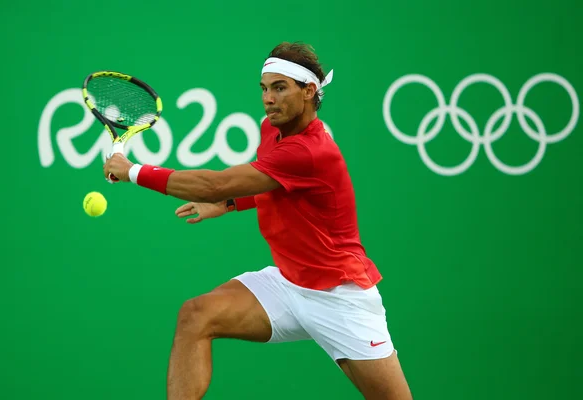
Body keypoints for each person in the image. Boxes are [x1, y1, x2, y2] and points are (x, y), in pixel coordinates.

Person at [103, 41, 413, 400]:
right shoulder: (272, 128)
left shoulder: (310, 150)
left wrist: (134, 172)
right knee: (196, 315)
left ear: (309, 91)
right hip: (289, 282)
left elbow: (212, 184)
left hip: (340, 295)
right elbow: (277, 187)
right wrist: (231, 203)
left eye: (280, 88)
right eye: (264, 88)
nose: (268, 98)